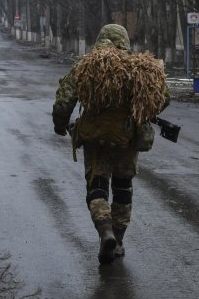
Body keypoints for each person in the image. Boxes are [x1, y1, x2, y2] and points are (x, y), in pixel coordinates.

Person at [52, 24, 170, 264]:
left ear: (100, 39)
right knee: (122, 187)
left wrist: (60, 125)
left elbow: (64, 101)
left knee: (97, 185)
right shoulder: (138, 68)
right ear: (124, 42)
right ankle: (118, 240)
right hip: (127, 139)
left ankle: (104, 231)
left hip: (96, 139)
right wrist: (140, 112)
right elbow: (163, 97)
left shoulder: (88, 64)